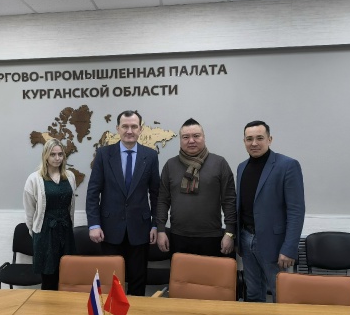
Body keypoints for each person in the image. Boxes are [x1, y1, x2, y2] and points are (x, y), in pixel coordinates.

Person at [86, 110, 160, 296]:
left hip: (140, 229)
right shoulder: (103, 154)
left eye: (134, 126)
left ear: (140, 129)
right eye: (125, 126)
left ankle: (136, 313)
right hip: (109, 229)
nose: (129, 131)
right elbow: (93, 192)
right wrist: (94, 224)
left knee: (138, 279)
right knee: (111, 281)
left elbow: (156, 195)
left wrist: (155, 225)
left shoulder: (151, 156)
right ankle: (111, 314)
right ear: (117, 128)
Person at [236, 120, 305, 303]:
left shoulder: (288, 165)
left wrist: (289, 248)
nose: (254, 143)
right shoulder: (241, 167)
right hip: (246, 239)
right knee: (253, 293)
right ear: (244, 141)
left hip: (275, 244)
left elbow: (296, 211)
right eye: (249, 139)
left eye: (259, 138)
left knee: (281, 295)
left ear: (270, 139)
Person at [156, 118, 237, 257]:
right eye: (186, 137)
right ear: (180, 140)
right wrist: (161, 230)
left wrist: (229, 232)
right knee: (180, 272)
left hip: (212, 237)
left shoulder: (219, 163)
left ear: (204, 137)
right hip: (178, 236)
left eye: (196, 136)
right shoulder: (170, 165)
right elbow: (163, 200)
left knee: (210, 272)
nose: (191, 141)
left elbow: (229, 200)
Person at [23, 139, 77, 290]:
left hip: (65, 230)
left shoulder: (70, 176)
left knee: (66, 274)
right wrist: (35, 232)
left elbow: (71, 206)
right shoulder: (34, 179)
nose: (57, 158)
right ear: (45, 156)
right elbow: (29, 211)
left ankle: (64, 305)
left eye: (60, 154)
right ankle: (48, 304)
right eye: (53, 154)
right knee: (48, 278)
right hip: (45, 232)